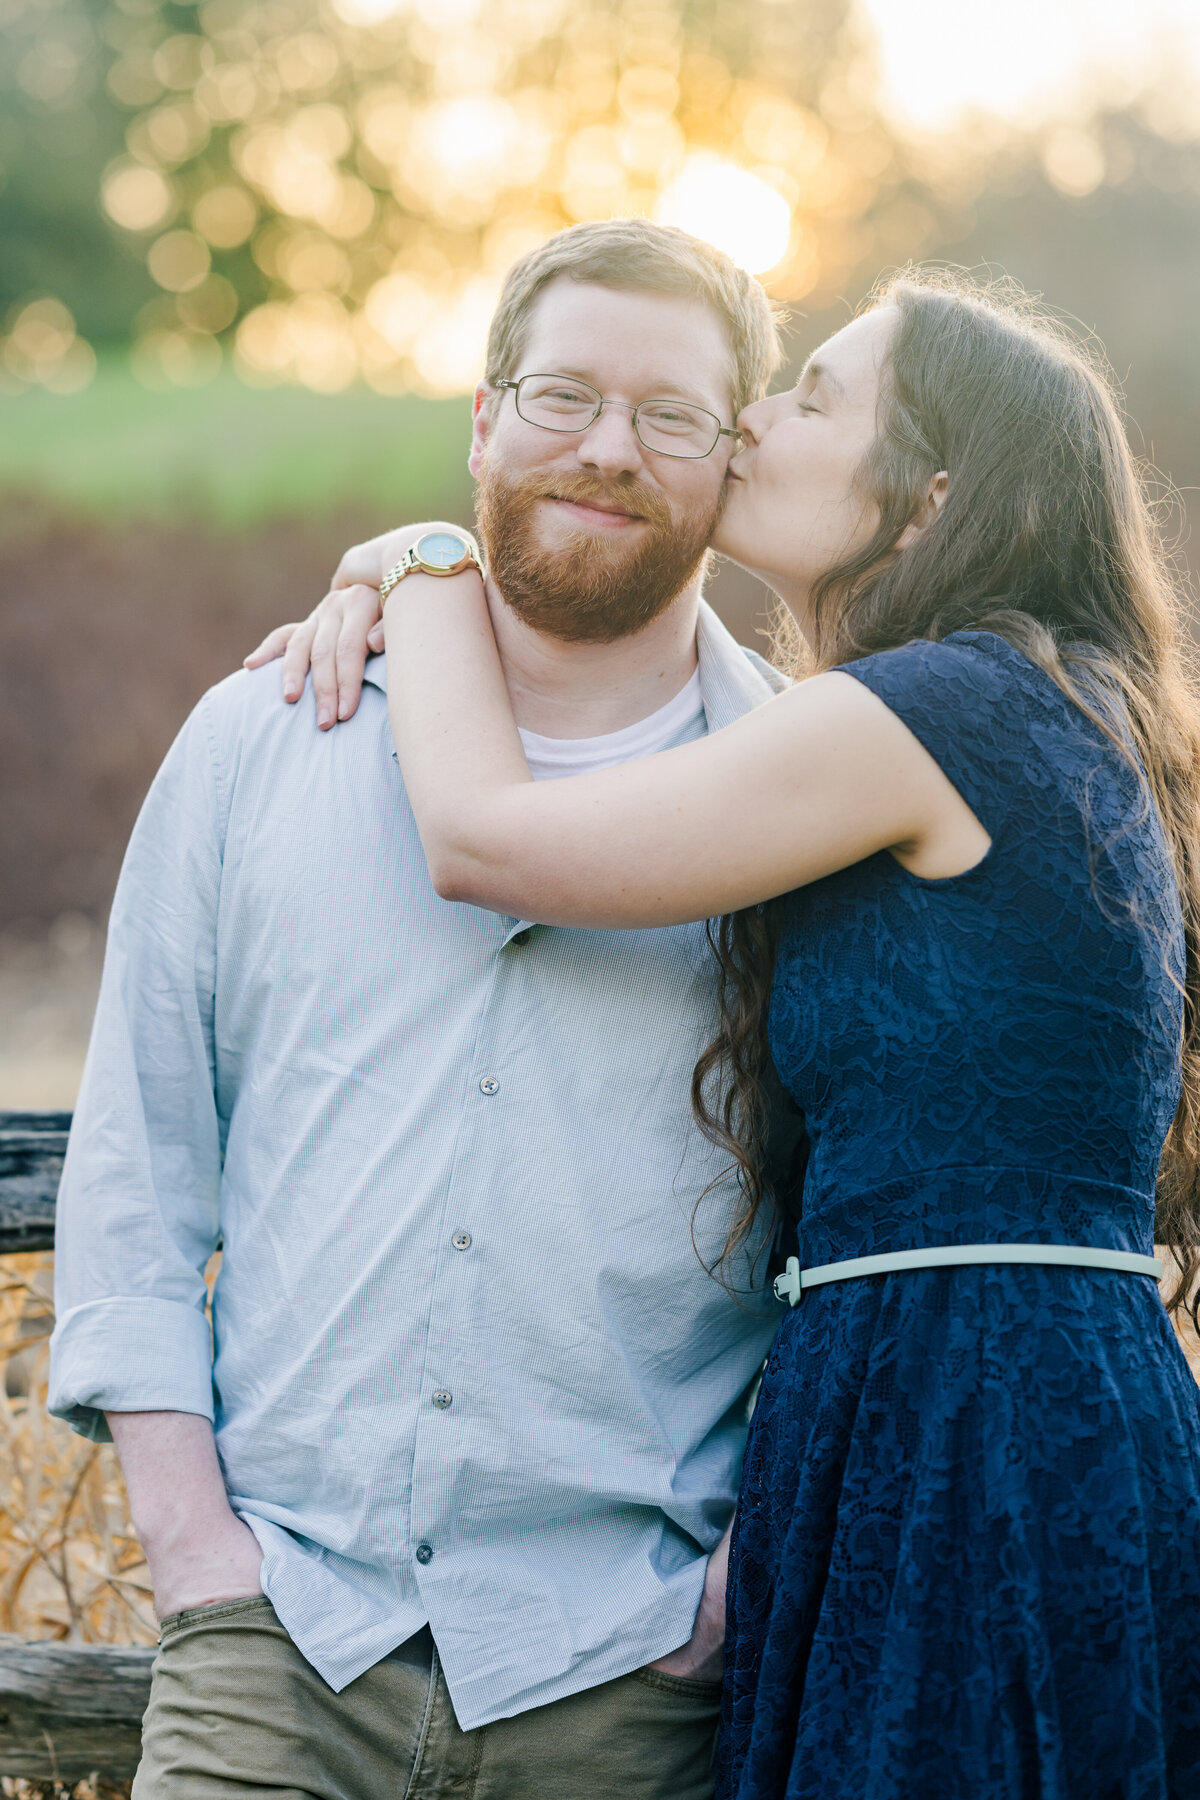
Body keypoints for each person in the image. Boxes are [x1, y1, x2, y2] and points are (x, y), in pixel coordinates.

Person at [272, 269, 1200, 1797]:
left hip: (974, 1419)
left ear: (929, 499)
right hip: (973, 1390)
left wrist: (433, 560)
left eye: (817, 397)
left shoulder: (929, 713)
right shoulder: (1035, 703)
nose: (759, 420)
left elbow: (490, 839)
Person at [46, 219, 797, 1800]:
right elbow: (138, 1165)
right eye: (563, 394)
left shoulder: (801, 806)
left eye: (670, 417)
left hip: (628, 1678)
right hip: (279, 1649)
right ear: (479, 417)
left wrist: (734, 1584)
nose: (608, 449)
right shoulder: (261, 742)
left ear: (734, 461)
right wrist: (197, 1552)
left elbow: (859, 1229)